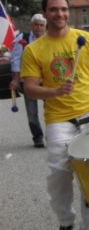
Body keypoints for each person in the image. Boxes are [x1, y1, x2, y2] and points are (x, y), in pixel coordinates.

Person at [20, 0, 89, 230]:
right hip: (59, 119)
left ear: (68, 11)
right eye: (53, 10)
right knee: (59, 174)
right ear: (45, 14)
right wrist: (54, 92)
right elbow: (30, 88)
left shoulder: (88, 40)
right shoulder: (34, 49)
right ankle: (66, 221)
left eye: (63, 9)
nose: (59, 14)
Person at [10, 13, 47, 147]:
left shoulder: (50, 39)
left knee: (52, 108)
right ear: (32, 26)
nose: (38, 27)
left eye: (41, 25)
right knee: (32, 112)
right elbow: (16, 59)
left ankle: (54, 134)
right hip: (28, 80)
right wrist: (15, 79)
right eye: (36, 25)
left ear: (45, 27)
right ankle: (37, 137)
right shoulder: (22, 38)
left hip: (46, 80)